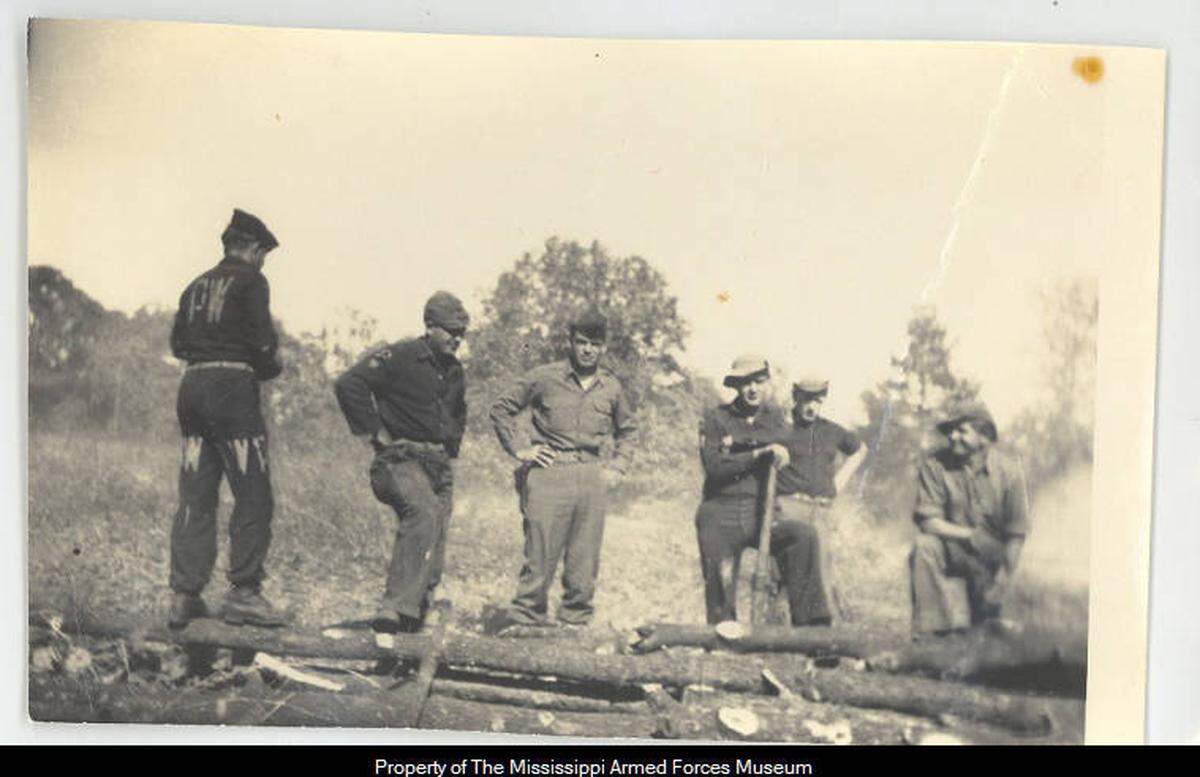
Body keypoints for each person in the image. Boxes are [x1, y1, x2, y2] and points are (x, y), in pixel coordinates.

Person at [167, 208, 289, 629]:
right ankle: (244, 593)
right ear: (253, 249)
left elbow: (179, 344)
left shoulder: (194, 285)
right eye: (263, 254)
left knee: (196, 493)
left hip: (192, 387)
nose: (262, 262)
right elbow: (263, 346)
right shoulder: (253, 281)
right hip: (232, 388)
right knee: (253, 492)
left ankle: (185, 594)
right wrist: (271, 365)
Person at [488, 309, 637, 629]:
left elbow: (628, 430)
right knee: (539, 553)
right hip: (549, 473)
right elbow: (502, 408)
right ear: (570, 342)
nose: (587, 350)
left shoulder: (611, 387)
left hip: (591, 476)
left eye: (594, 344)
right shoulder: (545, 377)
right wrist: (521, 450)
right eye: (581, 342)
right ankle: (526, 622)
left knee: (584, 561)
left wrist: (618, 468)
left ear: (603, 348)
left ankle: (574, 625)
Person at [334, 291, 469, 634]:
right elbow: (350, 383)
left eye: (461, 333)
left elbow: (457, 413)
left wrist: (449, 449)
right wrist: (376, 435)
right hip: (400, 458)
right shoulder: (402, 355)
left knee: (436, 537)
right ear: (430, 326)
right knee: (423, 513)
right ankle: (393, 607)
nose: (457, 339)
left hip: (438, 463)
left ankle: (413, 624)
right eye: (451, 331)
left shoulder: (454, 371)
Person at [694, 355, 829, 626]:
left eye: (758, 381)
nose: (752, 389)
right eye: (745, 383)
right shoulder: (717, 418)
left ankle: (813, 633)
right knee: (718, 565)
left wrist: (738, 448)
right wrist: (758, 452)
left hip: (762, 511)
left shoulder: (776, 419)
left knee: (803, 537)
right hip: (721, 509)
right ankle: (724, 631)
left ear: (767, 383)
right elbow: (716, 467)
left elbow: (784, 445)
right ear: (735, 386)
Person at [909, 401, 1031, 638]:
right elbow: (928, 521)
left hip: (993, 557)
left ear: (984, 436)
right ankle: (932, 632)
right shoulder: (935, 465)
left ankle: (992, 626)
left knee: (999, 637)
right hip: (951, 549)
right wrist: (970, 536)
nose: (953, 437)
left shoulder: (1010, 472)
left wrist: (1002, 581)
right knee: (924, 546)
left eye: (961, 430)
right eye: (950, 431)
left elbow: (1017, 534)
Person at [774, 378, 868, 624]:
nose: (811, 406)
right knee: (789, 567)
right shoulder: (781, 428)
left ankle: (817, 632)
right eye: (806, 399)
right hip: (788, 506)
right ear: (796, 397)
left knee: (822, 569)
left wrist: (836, 484)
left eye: (817, 400)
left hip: (822, 510)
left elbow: (860, 449)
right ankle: (783, 625)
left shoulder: (832, 431)